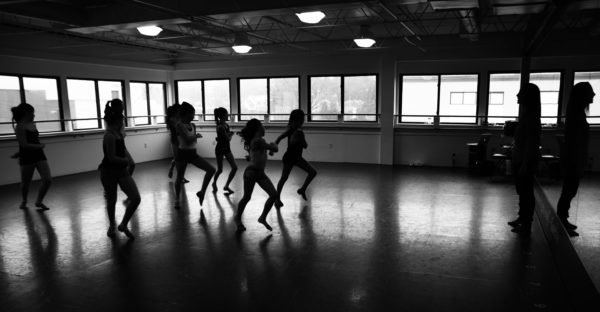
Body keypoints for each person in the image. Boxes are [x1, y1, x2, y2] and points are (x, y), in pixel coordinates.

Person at [556, 82, 595, 236]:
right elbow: (575, 143)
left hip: (574, 159)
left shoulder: (576, 114)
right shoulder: (576, 116)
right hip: (574, 160)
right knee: (569, 191)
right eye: (591, 92)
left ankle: (563, 219)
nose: (594, 95)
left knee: (569, 190)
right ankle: (561, 220)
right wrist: (577, 162)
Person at [98, 99, 140, 239]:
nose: (123, 122)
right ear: (116, 121)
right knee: (111, 200)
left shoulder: (117, 134)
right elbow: (111, 158)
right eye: (121, 120)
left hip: (121, 171)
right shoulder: (109, 135)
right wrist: (126, 160)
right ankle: (112, 225)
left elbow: (120, 151)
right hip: (109, 172)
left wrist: (126, 162)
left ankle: (123, 224)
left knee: (135, 198)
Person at [235, 119, 283, 232]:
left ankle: (262, 218)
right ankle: (237, 218)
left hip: (260, 173)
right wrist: (273, 145)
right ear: (257, 128)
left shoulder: (259, 141)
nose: (264, 127)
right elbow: (274, 149)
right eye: (262, 125)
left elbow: (257, 153)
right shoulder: (258, 141)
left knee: (273, 195)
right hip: (251, 172)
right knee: (247, 197)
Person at [508, 83, 541, 234]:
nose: (517, 95)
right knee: (522, 192)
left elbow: (531, 144)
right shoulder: (527, 115)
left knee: (527, 193)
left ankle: (526, 224)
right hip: (520, 161)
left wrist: (525, 164)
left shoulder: (532, 118)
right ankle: (522, 218)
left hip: (524, 162)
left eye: (521, 93)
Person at [174, 102, 216, 208]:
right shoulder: (179, 125)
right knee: (179, 177)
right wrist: (196, 136)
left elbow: (191, 140)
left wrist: (195, 136)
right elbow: (188, 140)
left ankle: (202, 192)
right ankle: (177, 199)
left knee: (211, 169)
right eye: (192, 113)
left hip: (192, 153)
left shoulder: (193, 125)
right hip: (182, 154)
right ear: (187, 114)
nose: (193, 116)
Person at [11, 103, 52, 211]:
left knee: (47, 179)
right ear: (26, 114)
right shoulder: (19, 127)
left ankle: (39, 201)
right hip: (27, 157)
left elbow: (32, 141)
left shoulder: (33, 124)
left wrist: (38, 146)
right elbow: (24, 144)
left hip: (39, 154)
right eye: (32, 113)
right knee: (26, 183)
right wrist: (40, 146)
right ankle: (24, 201)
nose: (34, 115)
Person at [275, 109, 316, 205]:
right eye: (302, 120)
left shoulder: (293, 130)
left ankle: (302, 189)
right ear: (297, 120)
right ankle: (277, 199)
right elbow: (305, 146)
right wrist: (274, 148)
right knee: (284, 178)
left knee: (312, 172)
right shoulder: (295, 131)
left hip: (297, 158)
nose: (303, 122)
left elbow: (279, 138)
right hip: (290, 158)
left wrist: (275, 147)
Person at [212, 107, 237, 195]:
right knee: (220, 170)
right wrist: (231, 135)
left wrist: (229, 135)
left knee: (234, 167)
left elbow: (227, 137)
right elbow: (227, 138)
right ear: (223, 115)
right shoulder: (220, 127)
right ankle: (214, 183)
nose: (228, 115)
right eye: (226, 113)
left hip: (226, 148)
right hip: (220, 149)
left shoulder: (226, 125)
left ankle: (226, 185)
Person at [166, 103, 188, 183]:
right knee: (178, 159)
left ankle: (181, 175)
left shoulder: (180, 118)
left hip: (181, 139)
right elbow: (176, 130)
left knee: (182, 159)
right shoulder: (172, 119)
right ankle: (180, 176)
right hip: (175, 140)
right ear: (176, 110)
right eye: (179, 110)